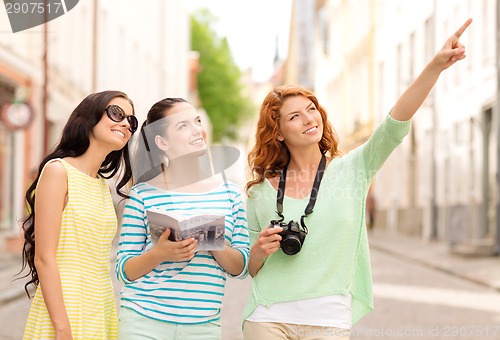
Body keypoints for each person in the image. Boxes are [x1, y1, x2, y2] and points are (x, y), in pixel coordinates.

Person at [243, 19, 472, 340]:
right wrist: (259, 251)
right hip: (267, 315)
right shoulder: (259, 192)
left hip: (328, 318)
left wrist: (435, 66)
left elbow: (394, 124)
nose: (309, 118)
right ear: (278, 133)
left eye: (312, 109)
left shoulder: (353, 169)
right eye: (295, 116)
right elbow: (250, 269)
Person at [115, 98, 250, 340]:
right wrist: (161, 253)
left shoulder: (230, 194)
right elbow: (124, 270)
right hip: (143, 322)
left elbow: (241, 268)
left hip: (203, 326)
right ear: (161, 141)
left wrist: (212, 240)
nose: (197, 129)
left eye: (197, 121)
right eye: (183, 125)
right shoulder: (143, 193)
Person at [20, 90, 138, 339]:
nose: (126, 123)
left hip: (101, 306)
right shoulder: (58, 172)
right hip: (64, 311)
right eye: (117, 113)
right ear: (89, 117)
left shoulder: (101, 187)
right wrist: (62, 329)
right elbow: (44, 258)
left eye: (131, 120)